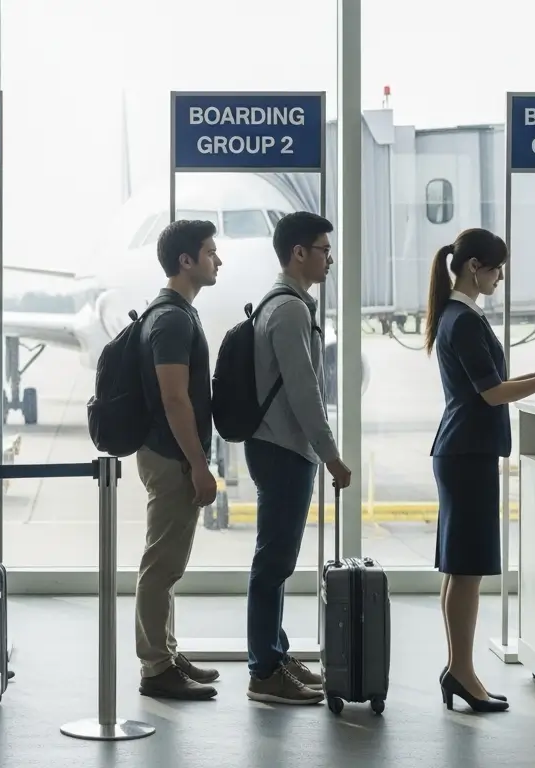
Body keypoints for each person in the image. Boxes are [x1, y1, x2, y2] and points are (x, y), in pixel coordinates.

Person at [423, 227, 535, 714]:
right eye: (497, 269)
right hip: (466, 453)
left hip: (462, 451)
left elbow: (493, 384)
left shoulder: (457, 315)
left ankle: (458, 669)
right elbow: (492, 394)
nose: (500, 278)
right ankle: (463, 672)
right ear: (476, 266)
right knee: (467, 570)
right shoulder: (465, 320)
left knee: (460, 568)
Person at [242, 212, 352, 705]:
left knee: (279, 560)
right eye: (324, 249)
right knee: (273, 562)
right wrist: (331, 455)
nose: (330, 258)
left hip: (283, 446)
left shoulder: (287, 305)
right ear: (299, 253)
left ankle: (275, 653)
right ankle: (263, 671)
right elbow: (305, 393)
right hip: (283, 447)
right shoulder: (288, 311)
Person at [133, 219, 223, 701]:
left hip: (170, 454)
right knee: (161, 564)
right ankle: (155, 667)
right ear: (186, 261)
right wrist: (198, 464)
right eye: (210, 252)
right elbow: (174, 399)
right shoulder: (171, 319)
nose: (218, 260)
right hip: (171, 456)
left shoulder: (176, 313)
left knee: (167, 563)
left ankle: (165, 653)